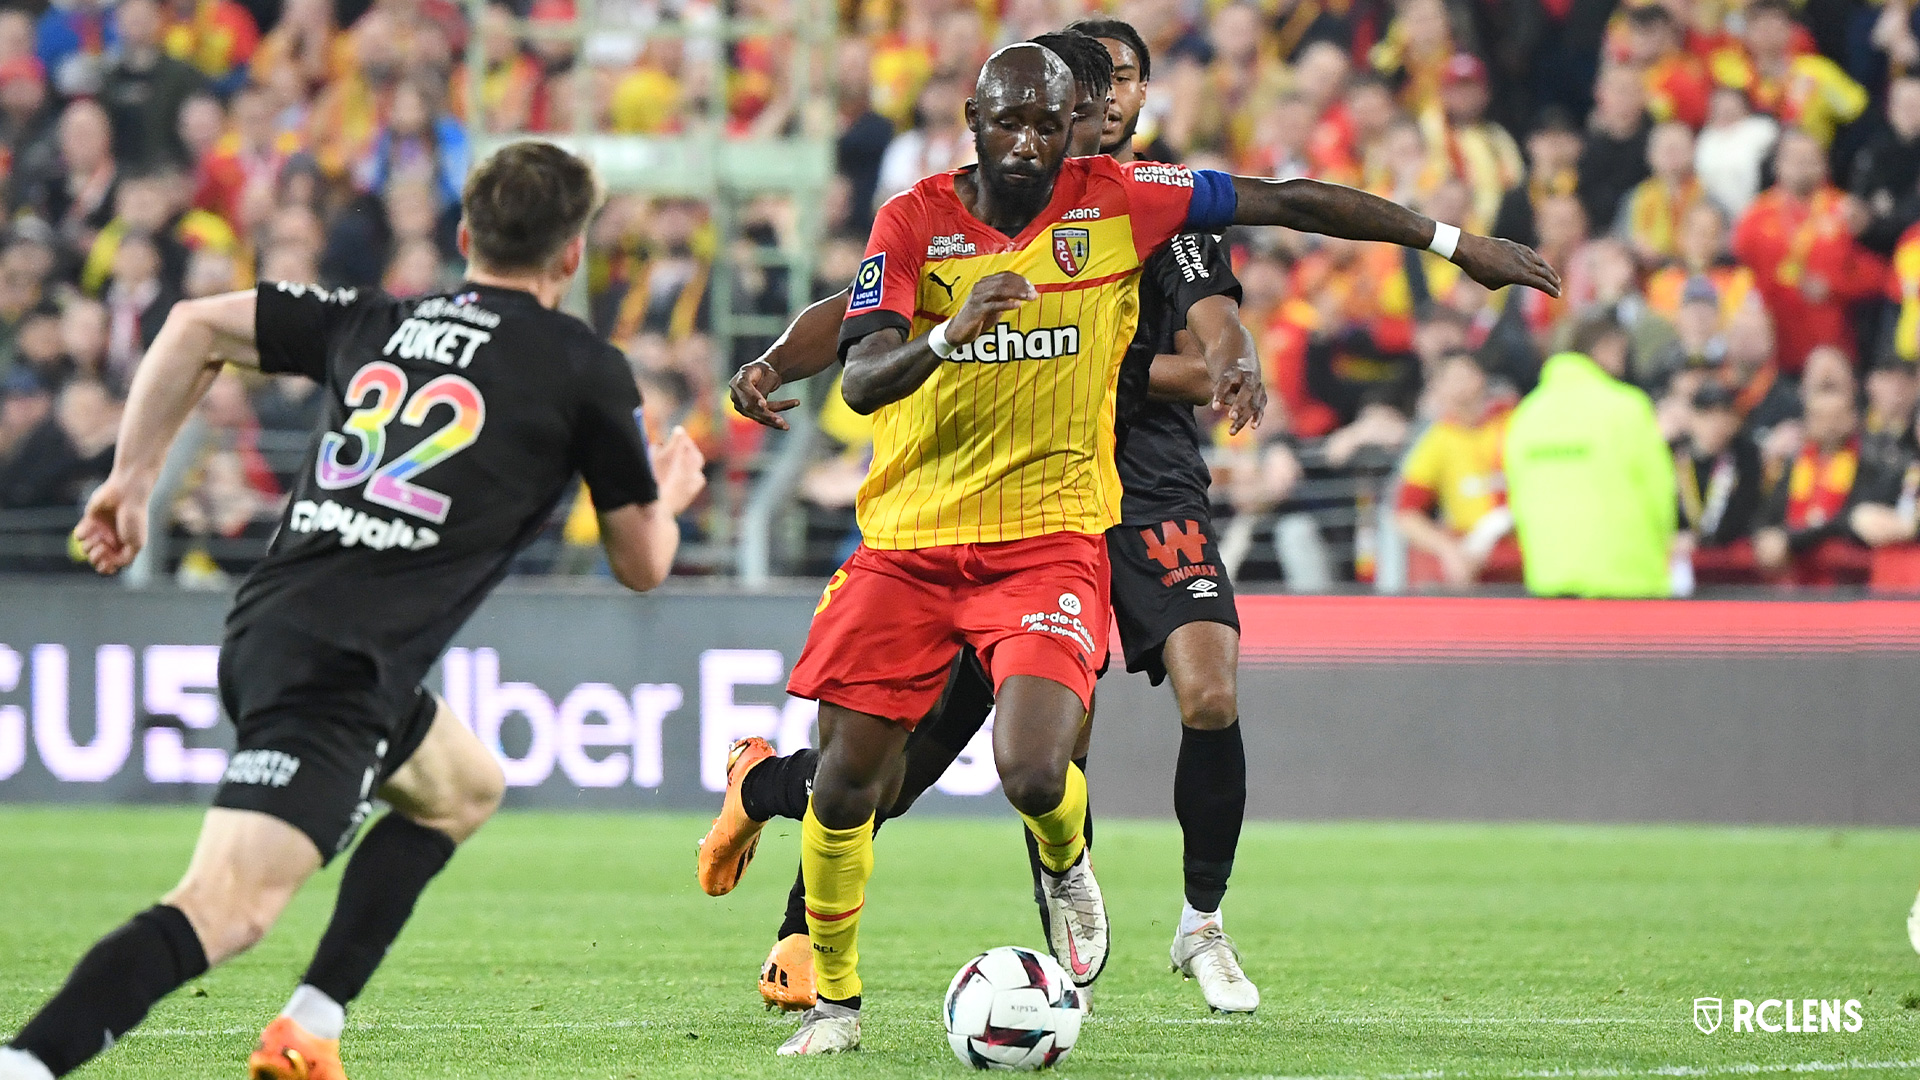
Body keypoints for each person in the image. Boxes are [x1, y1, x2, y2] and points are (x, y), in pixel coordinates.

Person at [766, 39, 1557, 1057]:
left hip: (1057, 528)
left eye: (1047, 126)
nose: (1026, 144)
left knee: (1042, 766)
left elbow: (1292, 202)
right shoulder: (915, 218)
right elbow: (864, 373)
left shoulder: (1127, 197)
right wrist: (942, 335)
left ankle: (1104, 883)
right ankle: (831, 991)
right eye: (1009, 121)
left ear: (1074, 129)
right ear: (971, 116)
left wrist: (1454, 244)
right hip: (916, 537)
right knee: (857, 785)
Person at [0, 140, 708, 1080]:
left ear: (463, 235)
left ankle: (310, 1026)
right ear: (572, 256)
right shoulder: (584, 368)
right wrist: (670, 492)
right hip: (336, 663)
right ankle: (29, 1063)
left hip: (296, 625)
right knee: (226, 908)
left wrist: (130, 481)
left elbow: (191, 326)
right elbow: (643, 563)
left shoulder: (378, 316)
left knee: (461, 788)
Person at [708, 23, 1272, 1019]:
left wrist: (1232, 356)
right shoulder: (954, 215)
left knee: (1182, 698)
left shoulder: (1156, 205)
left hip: (1131, 485)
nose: (1104, 104)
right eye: (1088, 86)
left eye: (1120, 84)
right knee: (893, 773)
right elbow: (863, 308)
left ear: (1121, 107)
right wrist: (776, 362)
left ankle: (1198, 924)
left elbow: (1213, 306)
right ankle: (791, 884)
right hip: (970, 500)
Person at [1504, 312, 1675, 597]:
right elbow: (1660, 492)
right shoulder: (1628, 407)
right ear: (1604, 348)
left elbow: (1518, 496)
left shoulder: (1526, 414)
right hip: (1630, 579)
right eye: (1621, 350)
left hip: (1550, 577)